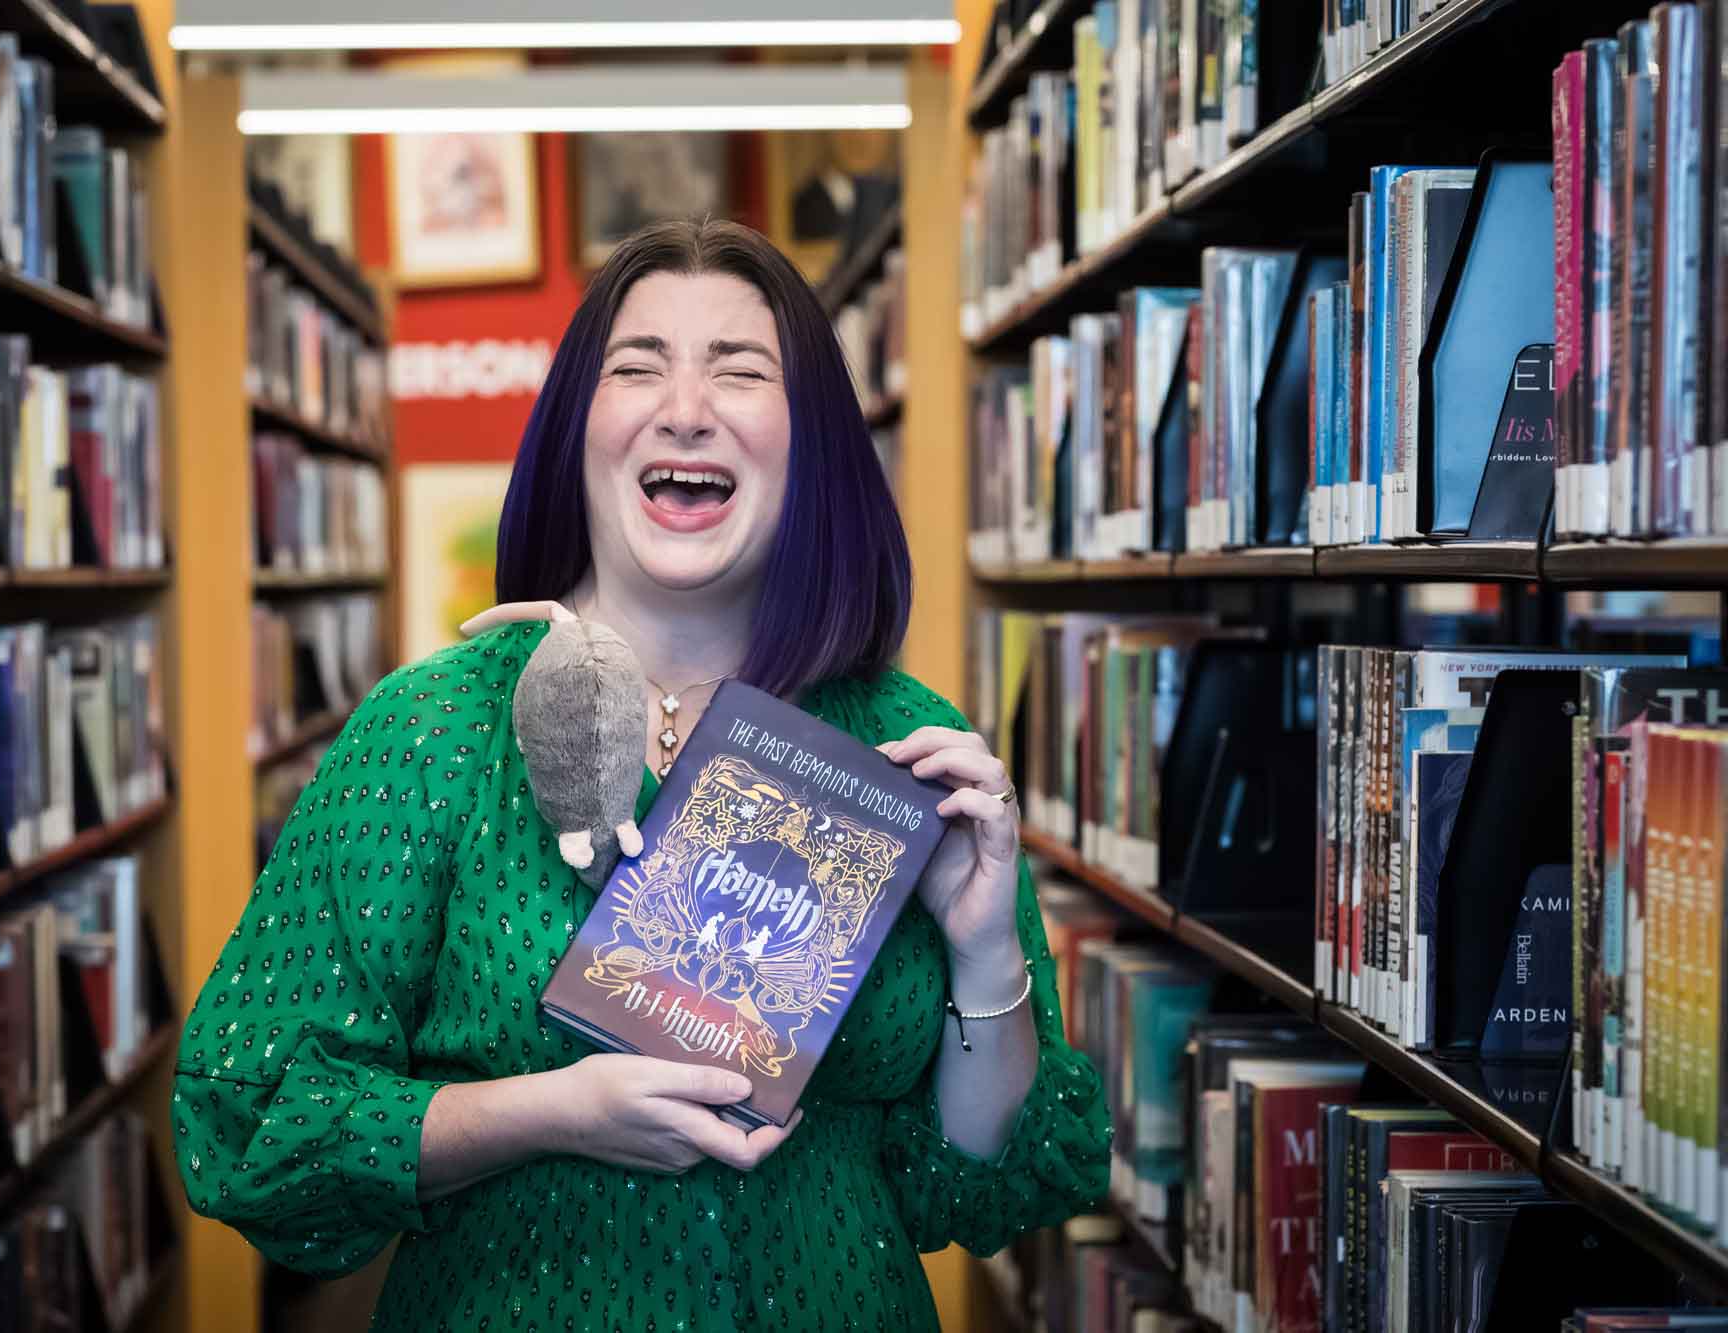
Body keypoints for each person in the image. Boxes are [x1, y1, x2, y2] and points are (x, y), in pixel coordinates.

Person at [172, 218, 1110, 1331]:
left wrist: (984, 946)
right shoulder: (430, 729)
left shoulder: (901, 751)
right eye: (637, 367)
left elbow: (982, 1184)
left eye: (740, 370)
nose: (685, 408)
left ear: (812, 441)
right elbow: (252, 1126)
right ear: (578, 425)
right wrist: (548, 1112)